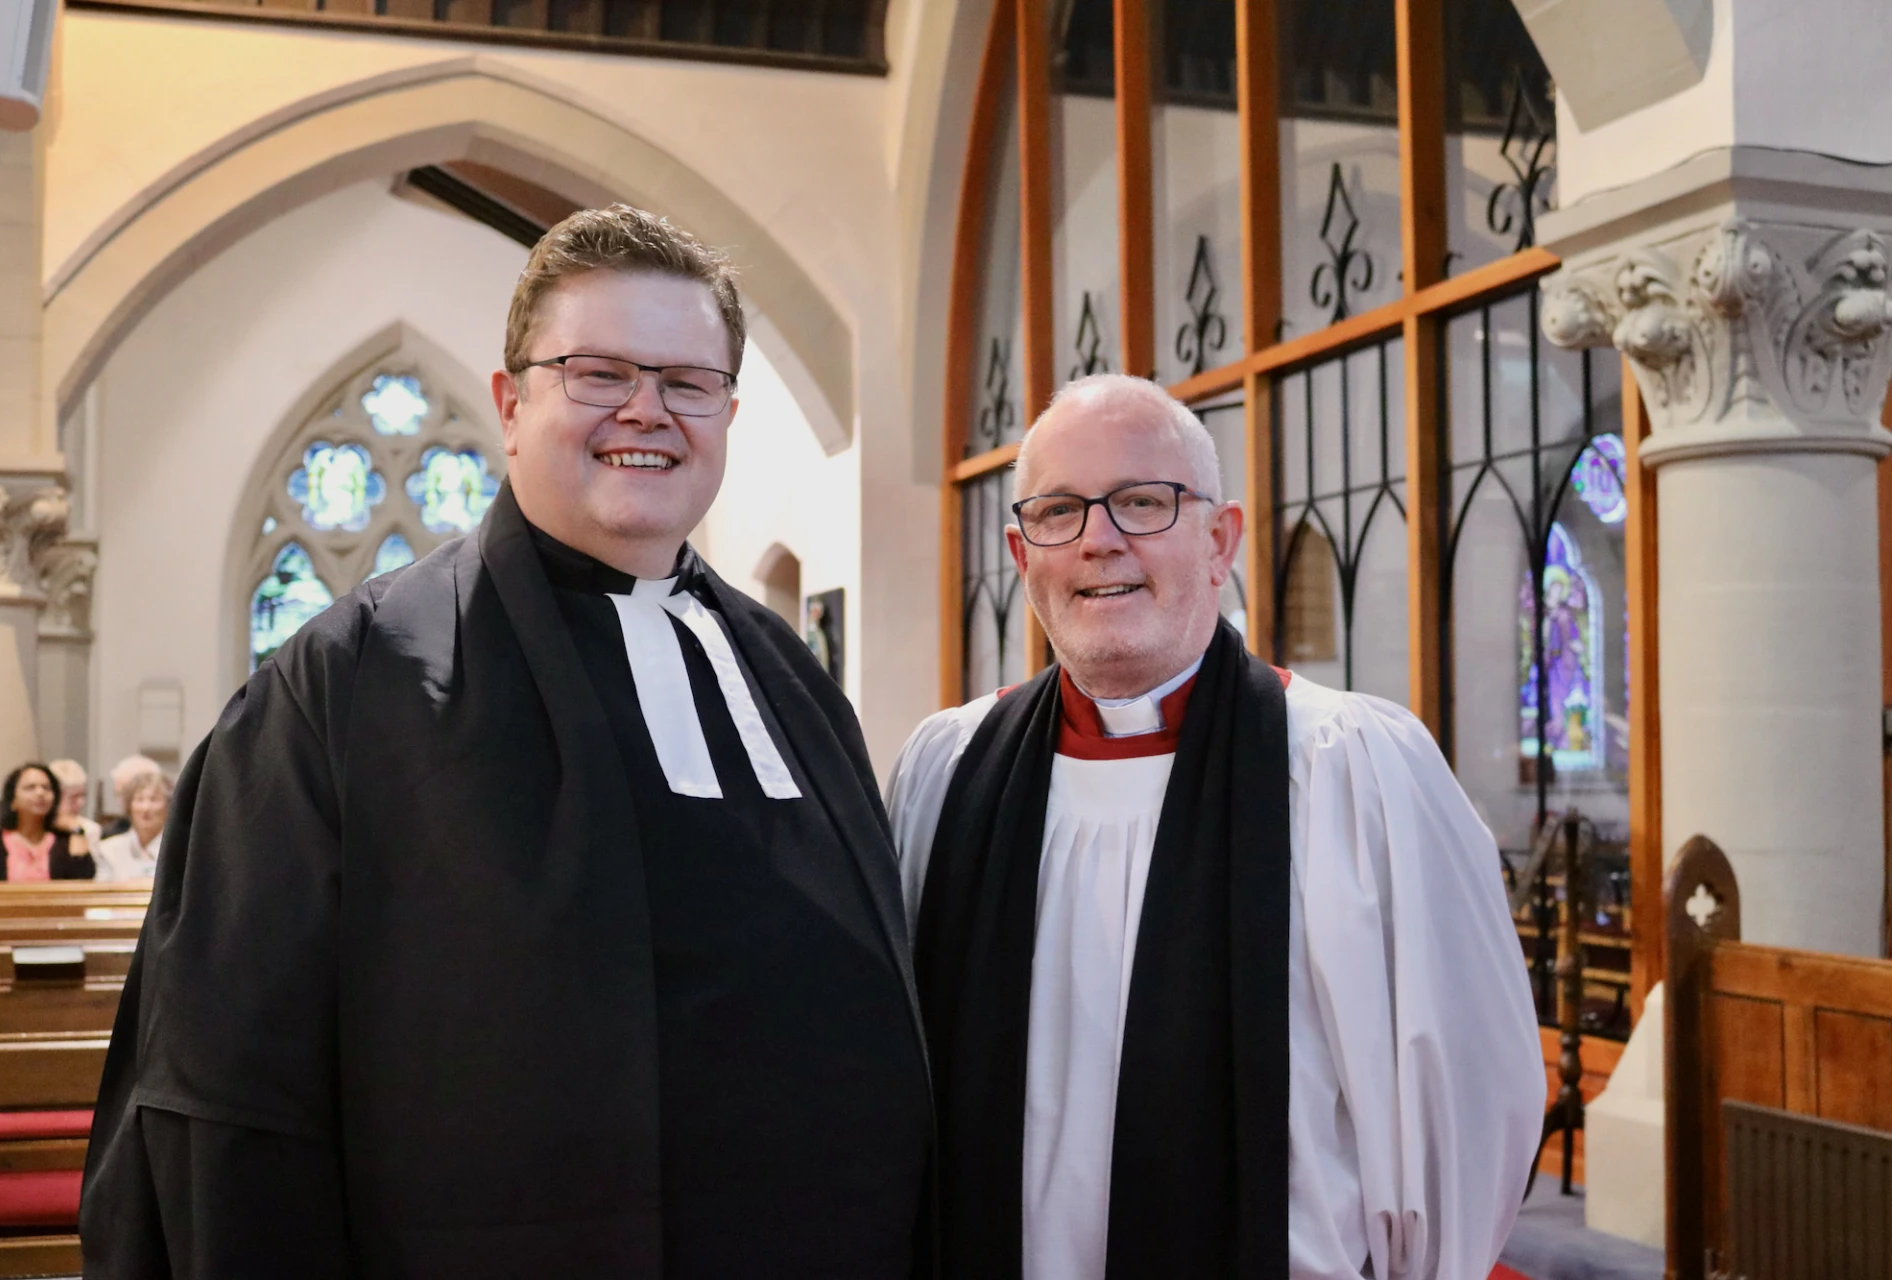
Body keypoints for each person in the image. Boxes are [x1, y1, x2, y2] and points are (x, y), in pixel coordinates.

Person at [80, 206, 930, 1278]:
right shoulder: (347, 682)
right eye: (599, 371)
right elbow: (228, 1096)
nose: (647, 410)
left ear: (726, 409)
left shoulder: (789, 676)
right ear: (510, 403)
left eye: (687, 381)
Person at [888, 374, 1543, 1280]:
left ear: (1220, 540)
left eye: (1143, 503)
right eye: (1060, 512)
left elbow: (1466, 1100)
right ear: (1020, 550)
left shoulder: (1347, 764)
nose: (1100, 541)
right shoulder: (947, 770)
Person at [0, 763, 97, 881]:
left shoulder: (64, 841)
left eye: (47, 788)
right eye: (30, 788)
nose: (40, 793)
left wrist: (77, 829)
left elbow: (84, 878)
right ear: (12, 801)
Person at [93, 772, 171, 882]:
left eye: (153, 799)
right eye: (139, 799)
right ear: (129, 806)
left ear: (168, 806)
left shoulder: (180, 849)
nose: (146, 808)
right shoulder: (108, 850)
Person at [47, 758, 105, 854]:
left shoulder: (90, 829)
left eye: (83, 795)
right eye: (73, 797)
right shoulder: (37, 827)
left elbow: (81, 866)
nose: (81, 803)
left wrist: (77, 829)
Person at [99, 755, 162, 839]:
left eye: (126, 795)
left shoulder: (178, 834)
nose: (120, 802)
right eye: (118, 794)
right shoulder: (109, 835)